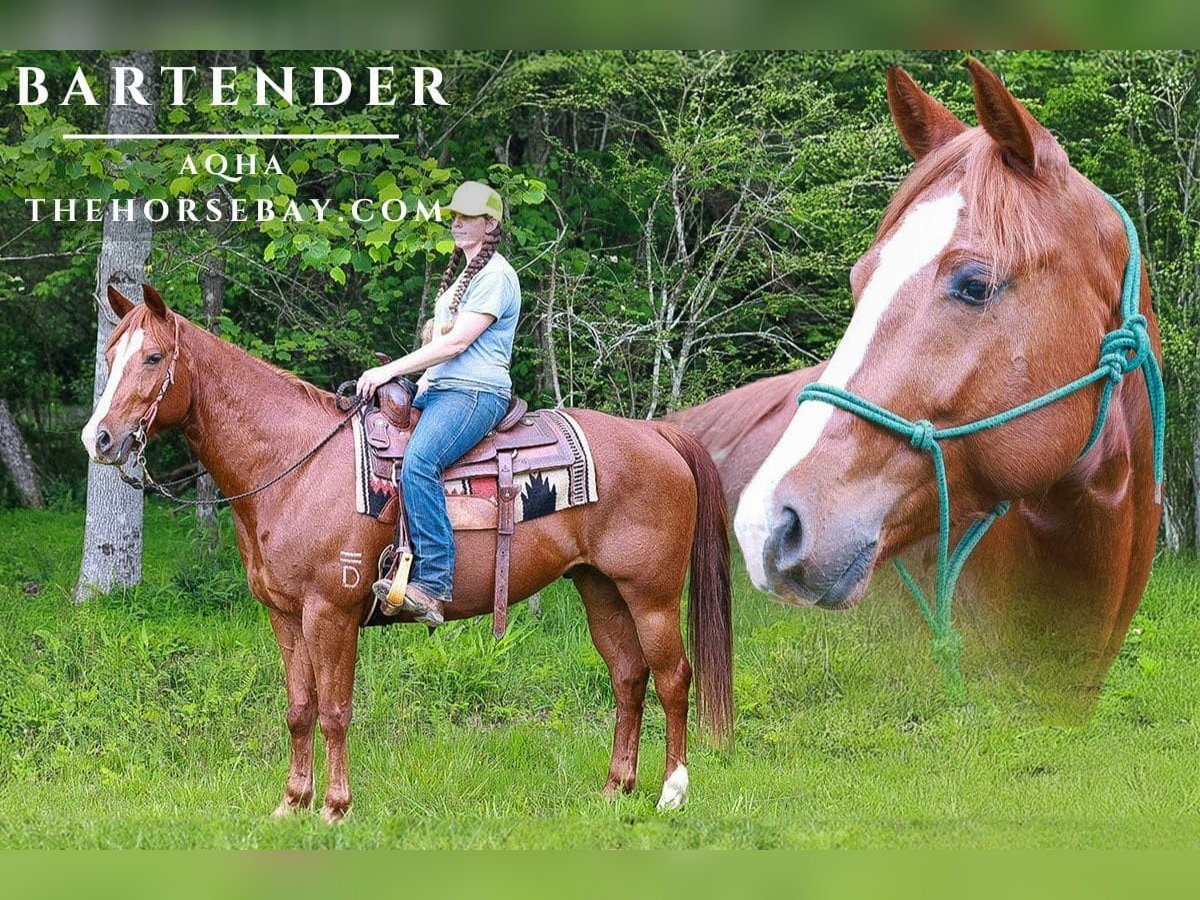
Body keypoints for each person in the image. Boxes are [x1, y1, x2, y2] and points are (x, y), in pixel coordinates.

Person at [356, 181, 520, 626]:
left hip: (474, 392)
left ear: (491, 224)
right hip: (441, 390)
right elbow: (441, 346)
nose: (458, 223)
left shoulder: (496, 276)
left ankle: (432, 583)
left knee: (419, 463)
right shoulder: (465, 277)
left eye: (467, 217)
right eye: (454, 216)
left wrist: (390, 371)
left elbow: (456, 344)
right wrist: (411, 382)